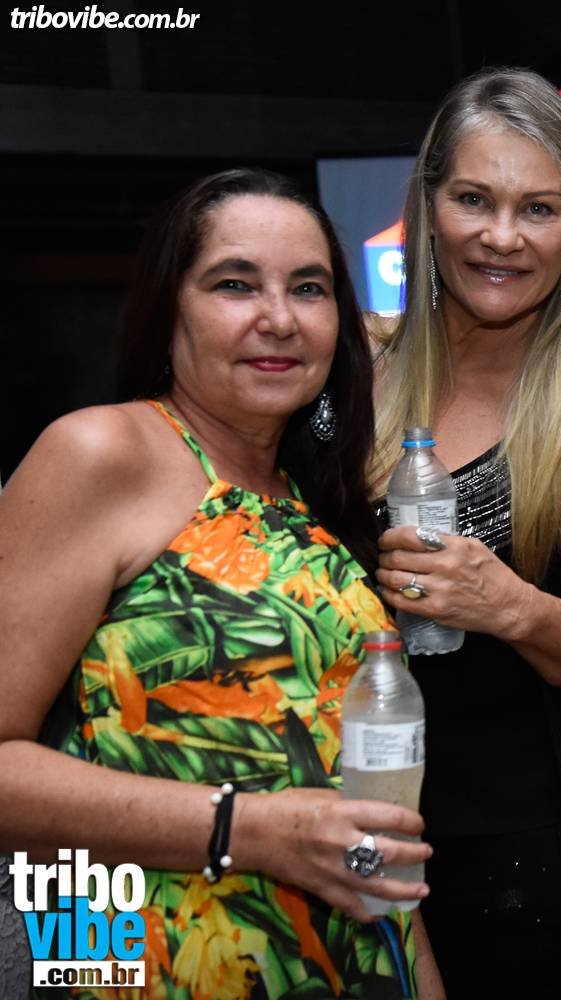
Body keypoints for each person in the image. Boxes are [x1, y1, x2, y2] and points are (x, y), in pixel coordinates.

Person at [0, 168, 435, 997]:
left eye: (308, 288)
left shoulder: (311, 498)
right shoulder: (101, 455)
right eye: (235, 284)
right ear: (170, 311)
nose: (279, 318)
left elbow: (364, 819)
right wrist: (248, 829)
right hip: (156, 963)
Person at [366, 67, 561, 993]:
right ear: (428, 209)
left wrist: (511, 606)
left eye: (537, 209)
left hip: (513, 860)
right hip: (334, 826)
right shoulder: (349, 381)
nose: (502, 236)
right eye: (473, 200)